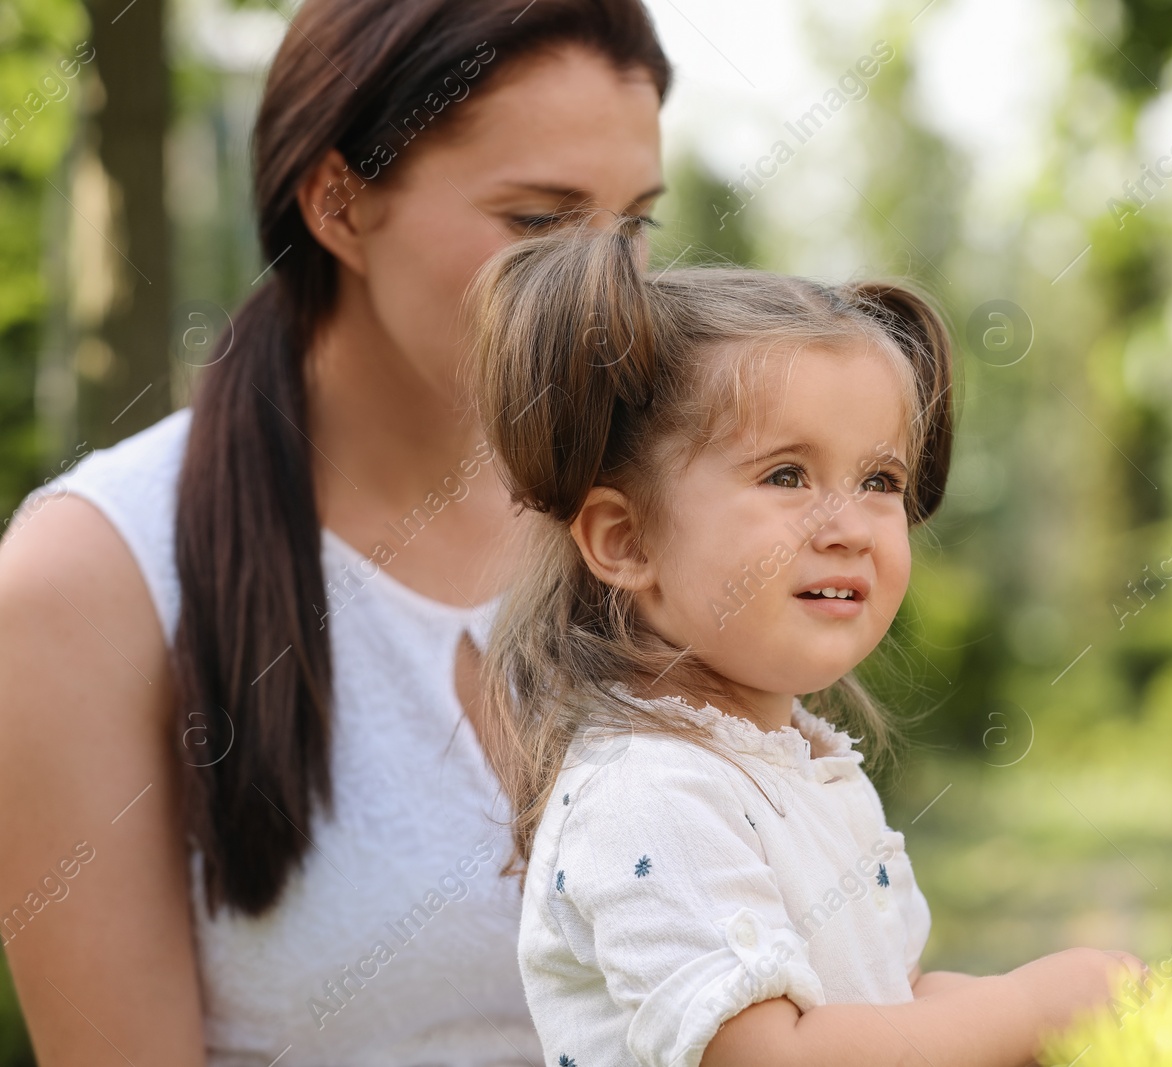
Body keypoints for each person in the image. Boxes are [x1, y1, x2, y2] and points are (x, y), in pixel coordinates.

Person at [0, 1, 670, 1062]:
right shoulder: (86, 579)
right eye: (539, 222)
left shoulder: (644, 522)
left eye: (634, 225)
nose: (607, 290)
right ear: (339, 202)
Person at [465, 225, 1149, 1067]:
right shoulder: (651, 792)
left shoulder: (802, 765)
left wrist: (1072, 1011)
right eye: (787, 474)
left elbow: (892, 1005)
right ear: (626, 538)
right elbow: (773, 1055)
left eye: (880, 481)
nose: (850, 526)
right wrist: (1029, 1006)